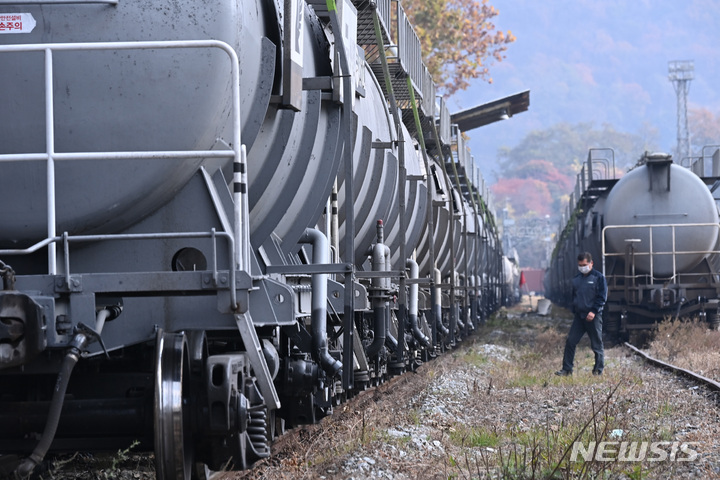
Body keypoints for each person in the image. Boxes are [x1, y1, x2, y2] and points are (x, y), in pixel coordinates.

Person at [555, 252, 607, 376]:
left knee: (596, 344)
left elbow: (602, 297)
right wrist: (575, 310)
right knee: (571, 341)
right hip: (580, 317)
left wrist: (594, 311)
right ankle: (567, 370)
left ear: (591, 263)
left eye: (584, 265)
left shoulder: (599, 278)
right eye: (580, 265)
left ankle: (598, 371)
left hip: (593, 316)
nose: (582, 267)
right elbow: (574, 297)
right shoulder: (576, 279)